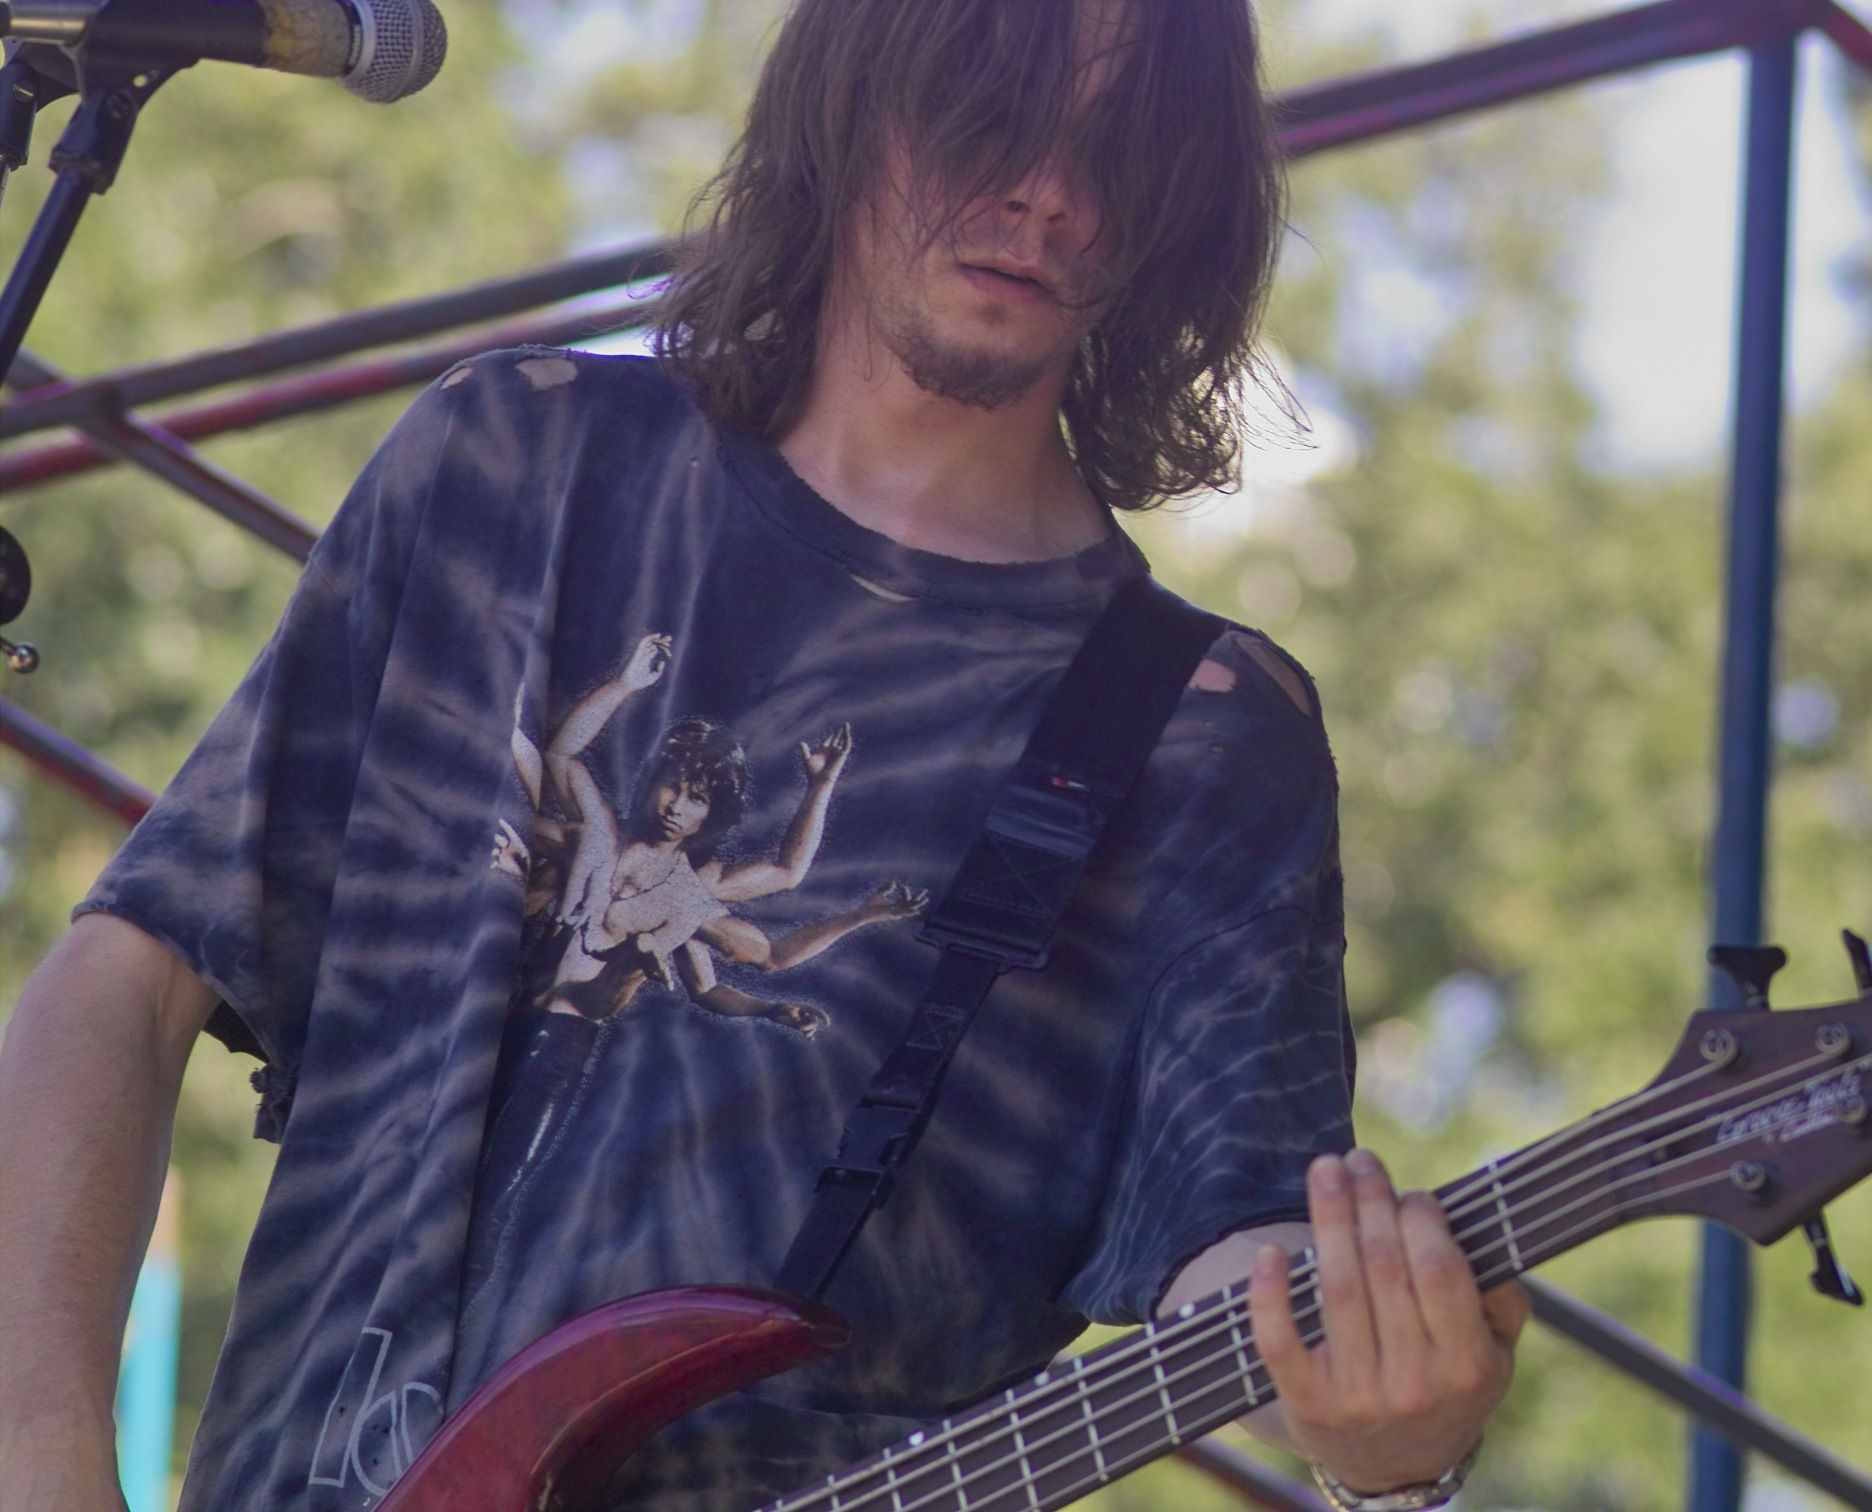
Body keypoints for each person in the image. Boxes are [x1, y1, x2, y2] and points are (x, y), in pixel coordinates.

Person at [0, 3, 1529, 1512]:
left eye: (1121, 148)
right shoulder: (517, 466)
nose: (1052, 193)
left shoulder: (1199, 729)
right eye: (992, 114)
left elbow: (1238, 1251)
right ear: (850, 101)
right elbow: (130, 977)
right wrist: (40, 1456)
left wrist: (1394, 1446)